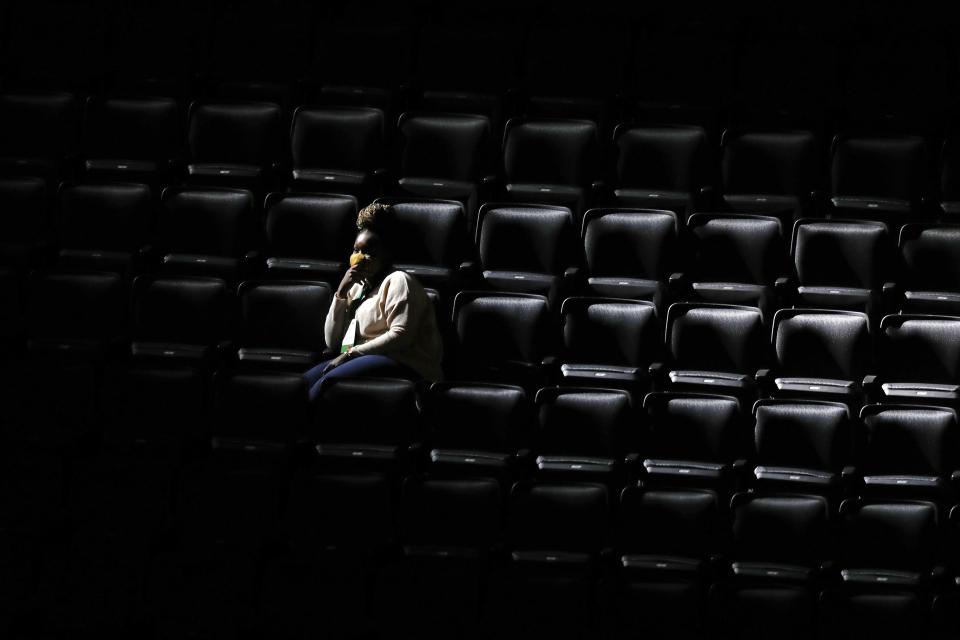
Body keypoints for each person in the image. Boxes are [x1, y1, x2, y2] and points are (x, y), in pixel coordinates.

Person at [303, 202, 444, 402]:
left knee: (328, 384)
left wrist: (352, 353)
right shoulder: (357, 288)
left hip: (404, 364)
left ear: (386, 255)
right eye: (356, 250)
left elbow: (400, 336)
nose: (359, 258)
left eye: (370, 252)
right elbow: (332, 342)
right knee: (304, 383)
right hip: (363, 358)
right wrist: (341, 294)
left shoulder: (399, 281)